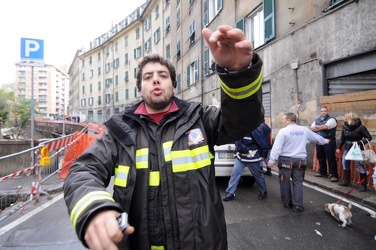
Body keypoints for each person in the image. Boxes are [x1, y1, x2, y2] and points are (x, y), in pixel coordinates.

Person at [63, 25, 264, 250]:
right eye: (148, 77)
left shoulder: (199, 117)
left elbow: (243, 121)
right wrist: (95, 208)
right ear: (140, 89)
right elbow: (83, 170)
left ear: (173, 84)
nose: (156, 80)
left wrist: (239, 74)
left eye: (163, 75)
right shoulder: (118, 130)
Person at [268, 113, 329, 213]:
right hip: (300, 160)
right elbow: (316, 138)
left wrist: (271, 160)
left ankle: (287, 203)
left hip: (286, 160)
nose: (282, 121)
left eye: (283, 119)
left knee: (285, 182)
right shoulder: (304, 130)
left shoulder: (283, 131)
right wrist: (326, 141)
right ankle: (298, 205)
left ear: (288, 120)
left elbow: (277, 147)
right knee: (298, 182)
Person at [223, 124, 269, 202]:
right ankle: (231, 193)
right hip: (240, 157)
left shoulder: (253, 130)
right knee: (235, 174)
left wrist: (263, 155)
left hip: (252, 158)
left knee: (258, 176)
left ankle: (263, 191)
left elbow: (263, 144)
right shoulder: (237, 130)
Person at [336, 112, 372, 192]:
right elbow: (342, 138)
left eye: (345, 117)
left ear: (350, 118)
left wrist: (358, 142)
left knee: (359, 165)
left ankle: (363, 185)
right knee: (344, 162)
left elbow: (369, 137)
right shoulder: (345, 126)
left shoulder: (361, 127)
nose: (343, 118)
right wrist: (339, 147)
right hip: (347, 148)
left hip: (357, 149)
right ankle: (346, 181)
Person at [310, 106, 339, 182]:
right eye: (322, 111)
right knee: (320, 157)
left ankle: (334, 175)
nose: (323, 112)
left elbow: (326, 127)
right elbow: (312, 128)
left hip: (329, 141)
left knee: (330, 158)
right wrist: (319, 127)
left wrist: (318, 127)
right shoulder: (317, 120)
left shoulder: (332, 119)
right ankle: (323, 172)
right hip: (319, 141)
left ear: (327, 111)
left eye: (325, 111)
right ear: (320, 112)